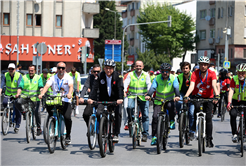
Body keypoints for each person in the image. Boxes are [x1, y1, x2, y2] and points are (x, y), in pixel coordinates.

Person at [183, 56, 219, 148]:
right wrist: (186, 96)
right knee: (196, 110)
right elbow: (191, 86)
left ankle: (209, 139)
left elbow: (214, 85)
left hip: (209, 97)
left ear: (208, 65)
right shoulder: (195, 73)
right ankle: (193, 129)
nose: (203, 66)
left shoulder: (212, 73)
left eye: (205, 65)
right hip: (197, 96)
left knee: (208, 118)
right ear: (199, 65)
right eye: (201, 64)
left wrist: (217, 95)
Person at [87, 59, 123, 142]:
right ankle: (103, 130)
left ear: (113, 68)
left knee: (118, 113)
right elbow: (95, 88)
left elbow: (120, 88)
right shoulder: (100, 76)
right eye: (107, 68)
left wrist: (120, 98)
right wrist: (91, 98)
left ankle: (116, 133)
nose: (108, 70)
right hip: (103, 99)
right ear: (104, 68)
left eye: (110, 68)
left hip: (115, 100)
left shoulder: (118, 76)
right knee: (99, 113)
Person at [38, 62, 73, 144]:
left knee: (67, 117)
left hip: (65, 100)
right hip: (55, 99)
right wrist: (42, 93)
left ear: (65, 69)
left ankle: (68, 135)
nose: (61, 70)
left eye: (63, 68)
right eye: (59, 68)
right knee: (48, 106)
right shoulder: (53, 77)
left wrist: (69, 94)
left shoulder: (68, 77)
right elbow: (47, 86)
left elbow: (71, 86)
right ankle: (51, 124)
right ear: (57, 69)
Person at [145, 63, 180, 145]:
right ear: (161, 71)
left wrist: (177, 96)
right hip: (158, 100)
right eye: (163, 71)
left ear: (169, 71)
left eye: (166, 71)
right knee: (155, 117)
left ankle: (171, 120)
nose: (165, 73)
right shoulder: (157, 78)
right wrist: (149, 95)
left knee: (171, 107)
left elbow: (176, 87)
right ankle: (154, 137)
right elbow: (153, 87)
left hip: (169, 99)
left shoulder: (173, 78)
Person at [124, 60, 151, 142]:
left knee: (145, 115)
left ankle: (145, 133)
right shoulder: (130, 74)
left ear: (143, 67)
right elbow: (126, 83)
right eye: (137, 66)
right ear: (134, 67)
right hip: (132, 96)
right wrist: (124, 91)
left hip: (143, 97)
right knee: (129, 107)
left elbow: (149, 84)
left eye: (140, 66)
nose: (138, 67)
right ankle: (132, 121)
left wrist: (148, 94)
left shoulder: (146, 74)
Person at [15, 65, 43, 135]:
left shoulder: (38, 77)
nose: (30, 72)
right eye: (29, 70)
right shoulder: (24, 77)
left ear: (35, 71)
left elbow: (41, 87)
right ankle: (24, 112)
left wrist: (41, 94)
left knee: (37, 112)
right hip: (25, 97)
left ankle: (39, 127)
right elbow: (20, 87)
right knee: (17, 102)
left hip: (35, 98)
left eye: (32, 71)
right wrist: (18, 94)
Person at [0, 63, 23, 133]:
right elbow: (2, 84)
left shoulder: (19, 75)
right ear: (8, 69)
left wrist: (18, 94)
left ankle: (17, 124)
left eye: (12, 69)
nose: (11, 70)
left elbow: (19, 86)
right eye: (9, 69)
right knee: (4, 102)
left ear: (15, 69)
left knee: (18, 108)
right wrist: (0, 91)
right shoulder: (5, 75)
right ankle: (7, 113)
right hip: (8, 93)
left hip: (16, 94)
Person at [176, 62, 195, 139]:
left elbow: (193, 86)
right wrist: (177, 96)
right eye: (183, 68)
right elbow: (176, 87)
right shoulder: (179, 77)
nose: (185, 70)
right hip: (182, 93)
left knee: (191, 113)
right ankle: (179, 115)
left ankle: (191, 131)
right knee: (177, 102)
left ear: (189, 69)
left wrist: (189, 96)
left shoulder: (193, 76)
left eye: (186, 68)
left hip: (191, 94)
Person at [227, 63, 246, 142]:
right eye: (239, 73)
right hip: (236, 100)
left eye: (243, 73)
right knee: (233, 114)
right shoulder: (234, 79)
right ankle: (234, 133)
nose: (241, 74)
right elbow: (231, 91)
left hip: (245, 101)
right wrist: (229, 102)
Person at [123, 63, 135, 130]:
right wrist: (124, 91)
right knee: (125, 107)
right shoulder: (127, 75)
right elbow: (124, 83)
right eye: (133, 69)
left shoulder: (141, 75)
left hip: (138, 95)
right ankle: (126, 123)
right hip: (128, 94)